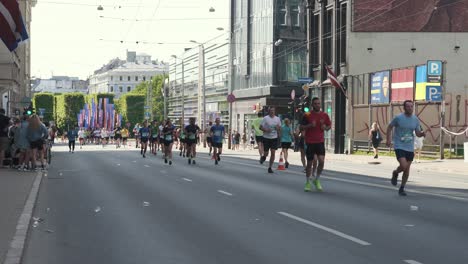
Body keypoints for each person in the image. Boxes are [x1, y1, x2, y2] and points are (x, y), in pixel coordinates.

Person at [386, 100, 425, 196]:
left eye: (411, 106)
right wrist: (388, 139)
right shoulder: (398, 118)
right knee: (403, 166)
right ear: (404, 108)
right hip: (399, 145)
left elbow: (417, 133)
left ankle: (402, 188)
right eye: (408, 106)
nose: (410, 108)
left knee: (407, 169)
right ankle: (395, 173)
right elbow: (389, 127)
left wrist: (422, 134)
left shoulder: (415, 119)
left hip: (410, 147)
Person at [301, 97, 331, 192]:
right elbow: (301, 126)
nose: (317, 105)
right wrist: (310, 125)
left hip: (320, 142)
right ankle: (308, 182)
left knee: (321, 161)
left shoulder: (324, 115)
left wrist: (325, 127)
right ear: (312, 105)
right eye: (315, 104)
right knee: (309, 163)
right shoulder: (307, 114)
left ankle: (316, 179)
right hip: (310, 142)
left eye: (318, 103)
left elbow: (329, 126)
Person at [260, 107, 281, 173]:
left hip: (274, 138)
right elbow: (260, 127)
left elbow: (279, 127)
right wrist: (266, 130)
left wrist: (278, 129)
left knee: (273, 153)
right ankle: (263, 157)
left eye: (273, 110)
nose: (272, 112)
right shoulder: (265, 118)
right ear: (269, 111)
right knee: (266, 153)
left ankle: (270, 167)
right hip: (266, 138)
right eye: (271, 111)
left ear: (275, 111)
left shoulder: (277, 119)